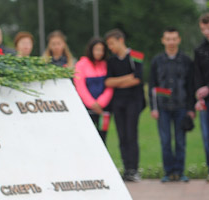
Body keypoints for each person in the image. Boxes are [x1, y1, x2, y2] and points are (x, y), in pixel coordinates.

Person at [149, 27, 195, 182]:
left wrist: (190, 108)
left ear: (179, 40)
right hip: (162, 108)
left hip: (181, 106)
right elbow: (152, 86)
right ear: (163, 40)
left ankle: (179, 171)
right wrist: (154, 108)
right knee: (165, 140)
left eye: (174, 39)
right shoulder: (157, 61)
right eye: (168, 39)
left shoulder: (186, 60)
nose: (171, 42)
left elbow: (190, 86)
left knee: (181, 140)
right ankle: (168, 172)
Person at [104, 29, 146, 182]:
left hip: (133, 101)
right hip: (118, 103)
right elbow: (108, 82)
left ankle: (134, 169)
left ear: (120, 40)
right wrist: (127, 78)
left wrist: (118, 82)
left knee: (131, 134)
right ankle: (126, 169)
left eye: (112, 43)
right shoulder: (111, 61)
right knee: (122, 136)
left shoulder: (136, 56)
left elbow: (138, 78)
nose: (110, 47)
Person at [74, 38, 114, 143]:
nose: (99, 52)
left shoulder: (106, 64)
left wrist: (101, 103)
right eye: (97, 49)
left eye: (101, 50)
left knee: (103, 137)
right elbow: (80, 87)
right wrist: (92, 104)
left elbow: (110, 85)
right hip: (88, 109)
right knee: (88, 138)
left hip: (103, 109)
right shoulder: (81, 64)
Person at [192, 13, 209, 182]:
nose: (206, 32)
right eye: (203, 29)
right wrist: (199, 93)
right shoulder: (199, 50)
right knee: (206, 135)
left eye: (208, 27)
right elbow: (196, 74)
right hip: (205, 101)